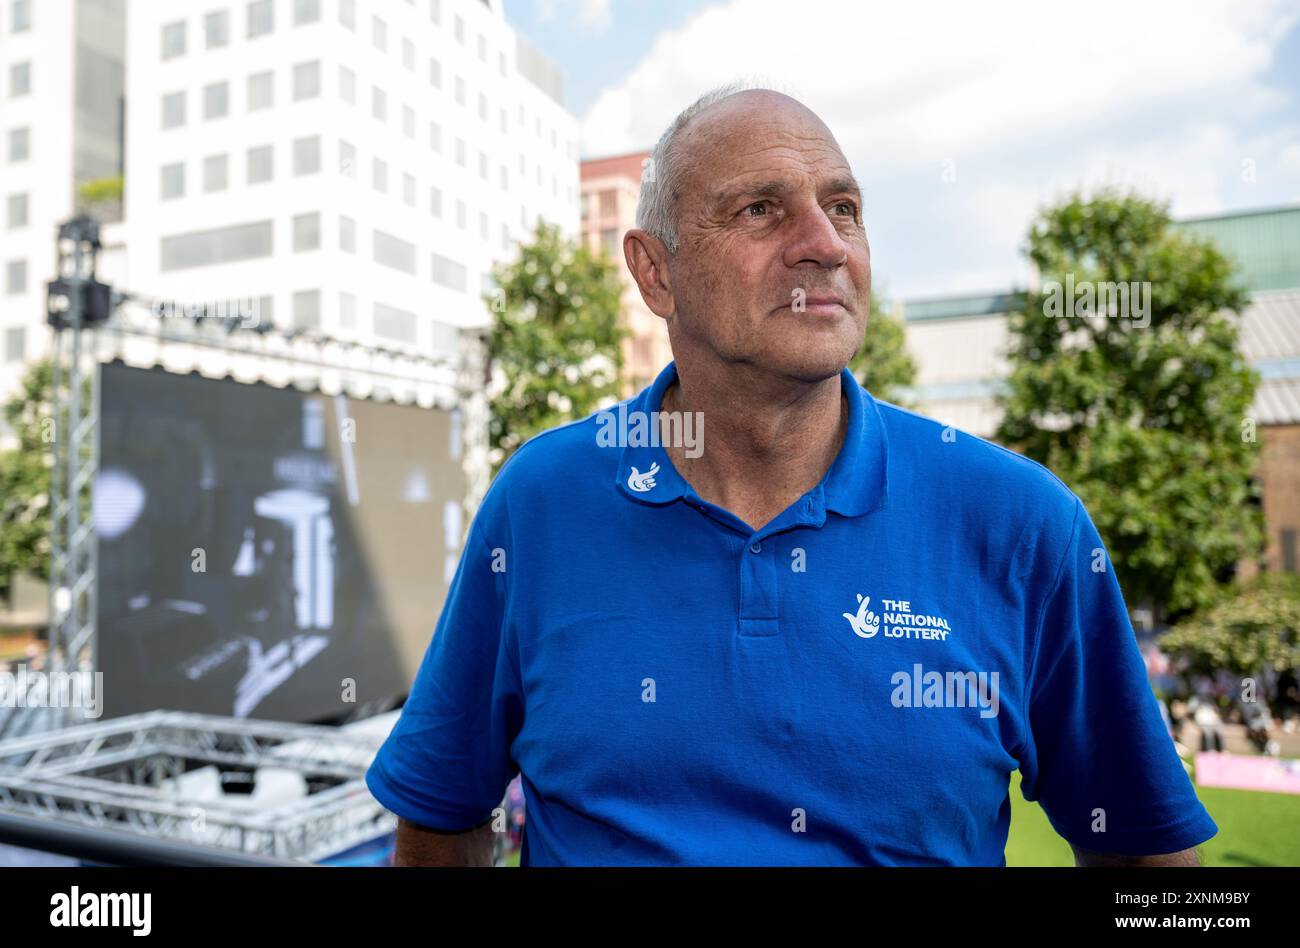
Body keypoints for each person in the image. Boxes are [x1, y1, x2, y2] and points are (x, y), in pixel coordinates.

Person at [365, 84, 1218, 866]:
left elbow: (1146, 854)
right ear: (654, 271)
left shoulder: (1024, 524)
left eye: (843, 208)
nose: (823, 245)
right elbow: (442, 815)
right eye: (761, 210)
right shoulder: (541, 501)